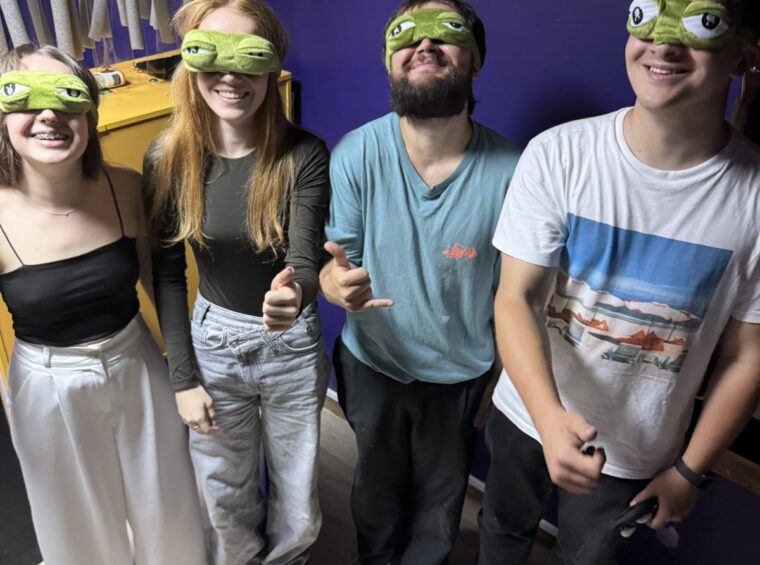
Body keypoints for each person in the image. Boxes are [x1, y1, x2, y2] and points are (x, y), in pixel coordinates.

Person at [480, 1, 760, 563]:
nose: (664, 43)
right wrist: (548, 419)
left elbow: (747, 354)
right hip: (524, 413)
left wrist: (689, 471)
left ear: (741, 57)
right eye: (647, 16)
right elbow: (516, 298)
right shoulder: (558, 154)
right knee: (500, 536)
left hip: (635, 451)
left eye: (700, 24)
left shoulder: (752, 197)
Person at [319, 1, 520, 563]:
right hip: (372, 362)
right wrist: (334, 285)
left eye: (445, 33)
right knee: (375, 498)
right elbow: (336, 261)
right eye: (406, 34)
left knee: (438, 510)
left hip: (461, 375)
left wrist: (503, 370)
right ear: (389, 61)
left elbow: (518, 292)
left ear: (475, 61)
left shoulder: (514, 170)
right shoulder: (357, 152)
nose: (424, 44)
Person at [0, 44, 207, 565]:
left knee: (170, 507)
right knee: (76, 528)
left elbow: (162, 282)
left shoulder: (127, 187)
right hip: (47, 387)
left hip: (135, 362)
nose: (49, 115)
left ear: (89, 114)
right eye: (26, 98)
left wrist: (188, 374)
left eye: (66, 97)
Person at [144, 1, 330, 563]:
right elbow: (167, 274)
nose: (230, 76)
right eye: (212, 56)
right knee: (223, 494)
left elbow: (304, 260)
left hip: (290, 347)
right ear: (189, 64)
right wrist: (183, 380)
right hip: (213, 345)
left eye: (247, 58)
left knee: (298, 500)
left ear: (271, 67)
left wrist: (295, 293)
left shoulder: (303, 154)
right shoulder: (167, 157)